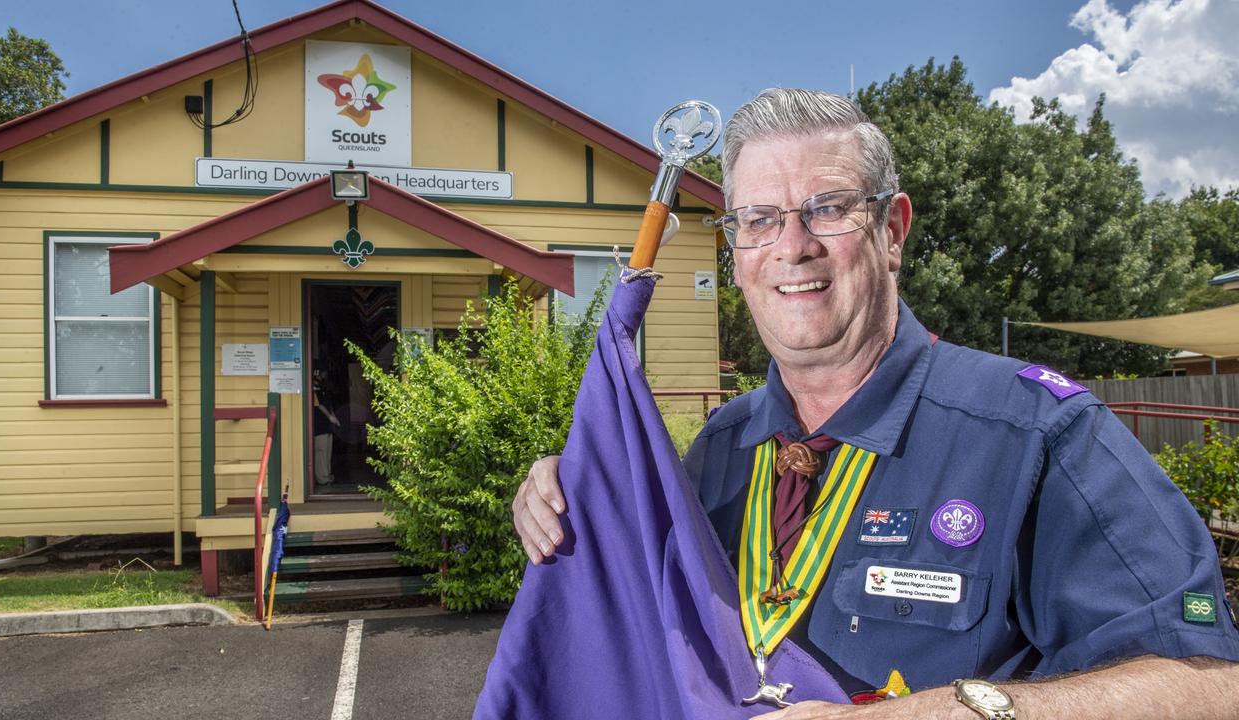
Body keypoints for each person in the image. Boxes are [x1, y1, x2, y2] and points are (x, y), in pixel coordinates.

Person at [512, 88, 1239, 718]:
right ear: (736, 252)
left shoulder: (1041, 436)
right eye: (759, 221)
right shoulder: (718, 451)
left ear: (892, 232)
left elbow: (1210, 687)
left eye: (825, 209)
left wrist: (945, 715)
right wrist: (578, 499)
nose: (791, 247)